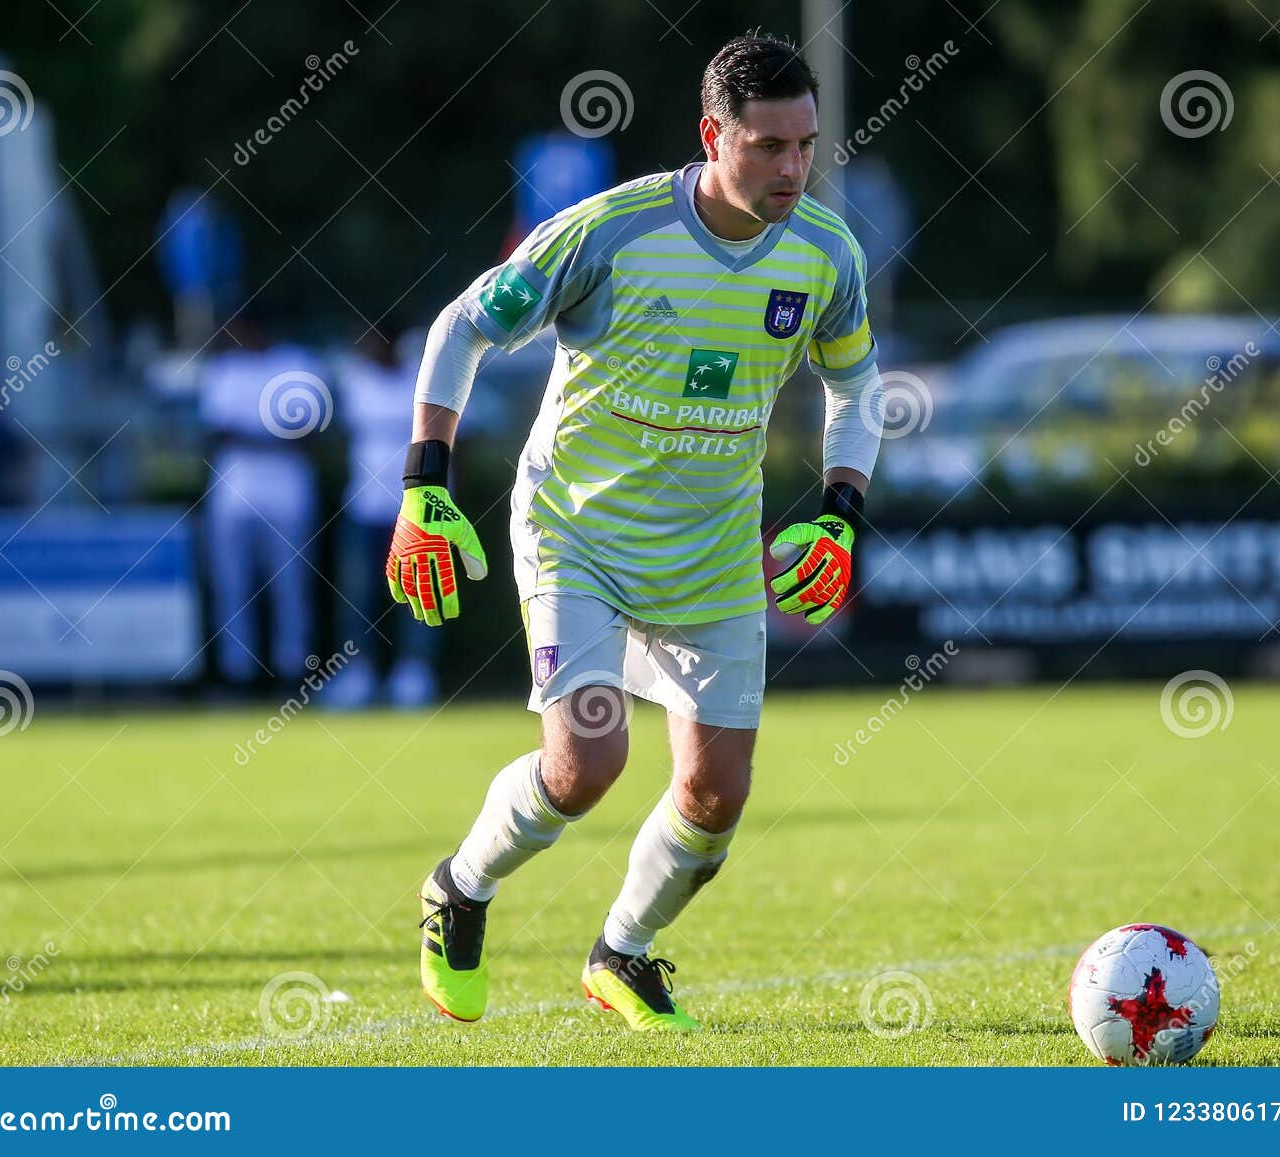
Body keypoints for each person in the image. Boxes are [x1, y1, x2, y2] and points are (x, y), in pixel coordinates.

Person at [388, 32, 882, 1031]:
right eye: (768, 146)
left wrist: (840, 505)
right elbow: (461, 327)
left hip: (711, 549)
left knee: (715, 795)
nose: (792, 169)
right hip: (580, 529)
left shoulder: (826, 251)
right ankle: (460, 886)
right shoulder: (608, 229)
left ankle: (622, 951)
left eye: (806, 145)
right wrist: (424, 484)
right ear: (713, 136)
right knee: (587, 762)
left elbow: (857, 383)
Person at [199, 316, 324, 689]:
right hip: (233, 496)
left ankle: (293, 670)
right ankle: (237, 673)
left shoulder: (297, 363)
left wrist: (252, 434)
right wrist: (273, 435)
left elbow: (309, 433)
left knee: (291, 587)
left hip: (288, 496)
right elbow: (217, 432)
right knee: (232, 585)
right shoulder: (224, 369)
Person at [324, 329, 440, 709]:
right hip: (365, 508)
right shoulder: (353, 382)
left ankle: (415, 673)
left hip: (417, 512)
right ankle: (358, 672)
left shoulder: (423, 382)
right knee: (359, 595)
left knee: (419, 593)